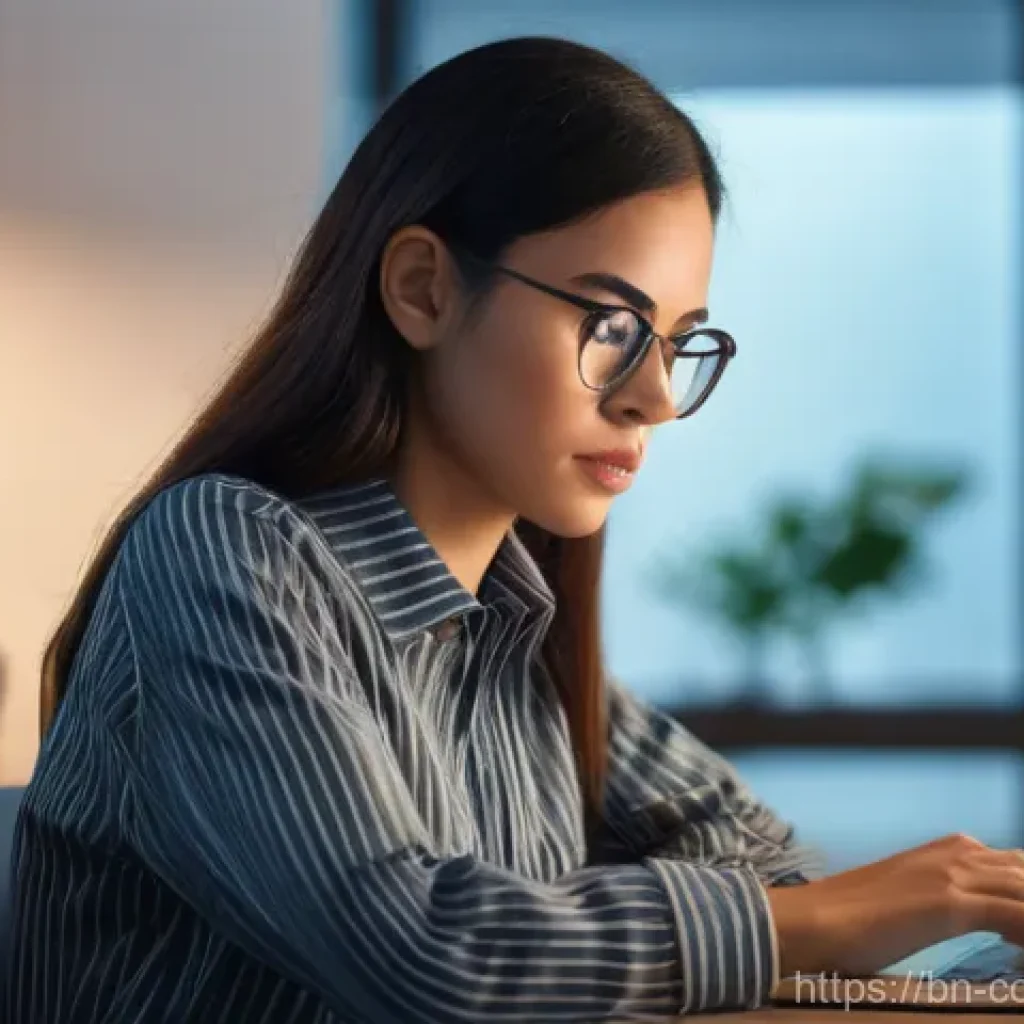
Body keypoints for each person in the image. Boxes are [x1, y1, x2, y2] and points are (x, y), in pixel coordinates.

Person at [6, 36, 1024, 1024]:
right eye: (612, 326)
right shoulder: (222, 554)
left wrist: (731, 923)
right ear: (423, 288)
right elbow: (418, 952)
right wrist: (811, 919)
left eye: (678, 342)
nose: (656, 399)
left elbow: (761, 861)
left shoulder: (517, 629)